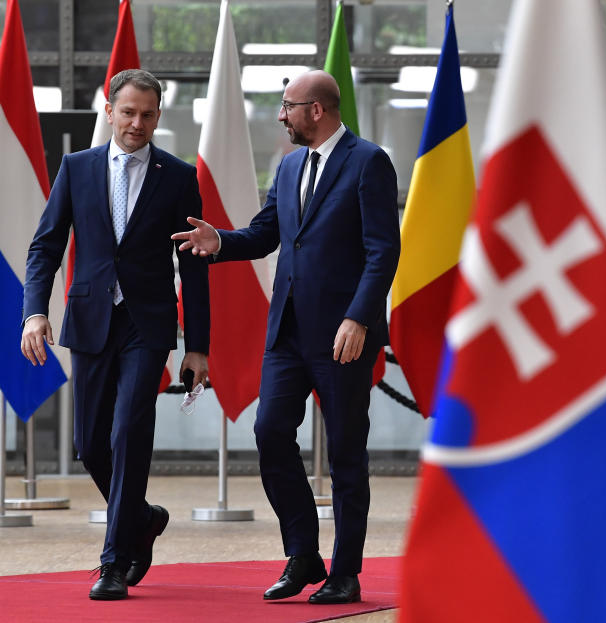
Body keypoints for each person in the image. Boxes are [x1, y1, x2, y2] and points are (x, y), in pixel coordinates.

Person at [173, 70, 400, 605]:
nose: (281, 115)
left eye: (287, 106)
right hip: (287, 333)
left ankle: (345, 572)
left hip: (345, 333)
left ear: (316, 110)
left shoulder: (369, 162)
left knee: (346, 453)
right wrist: (219, 241)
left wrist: (359, 317)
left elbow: (382, 250)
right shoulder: (291, 163)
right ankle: (303, 554)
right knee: (271, 431)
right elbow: (266, 233)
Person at [22, 69, 210, 601]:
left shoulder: (178, 176)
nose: (137, 123)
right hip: (90, 320)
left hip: (147, 326)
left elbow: (193, 266)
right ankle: (143, 518)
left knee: (129, 430)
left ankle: (113, 561)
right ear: (110, 110)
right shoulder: (77, 169)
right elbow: (46, 247)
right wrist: (34, 312)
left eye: (148, 115)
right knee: (89, 444)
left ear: (158, 117)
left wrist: (198, 344)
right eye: (128, 112)